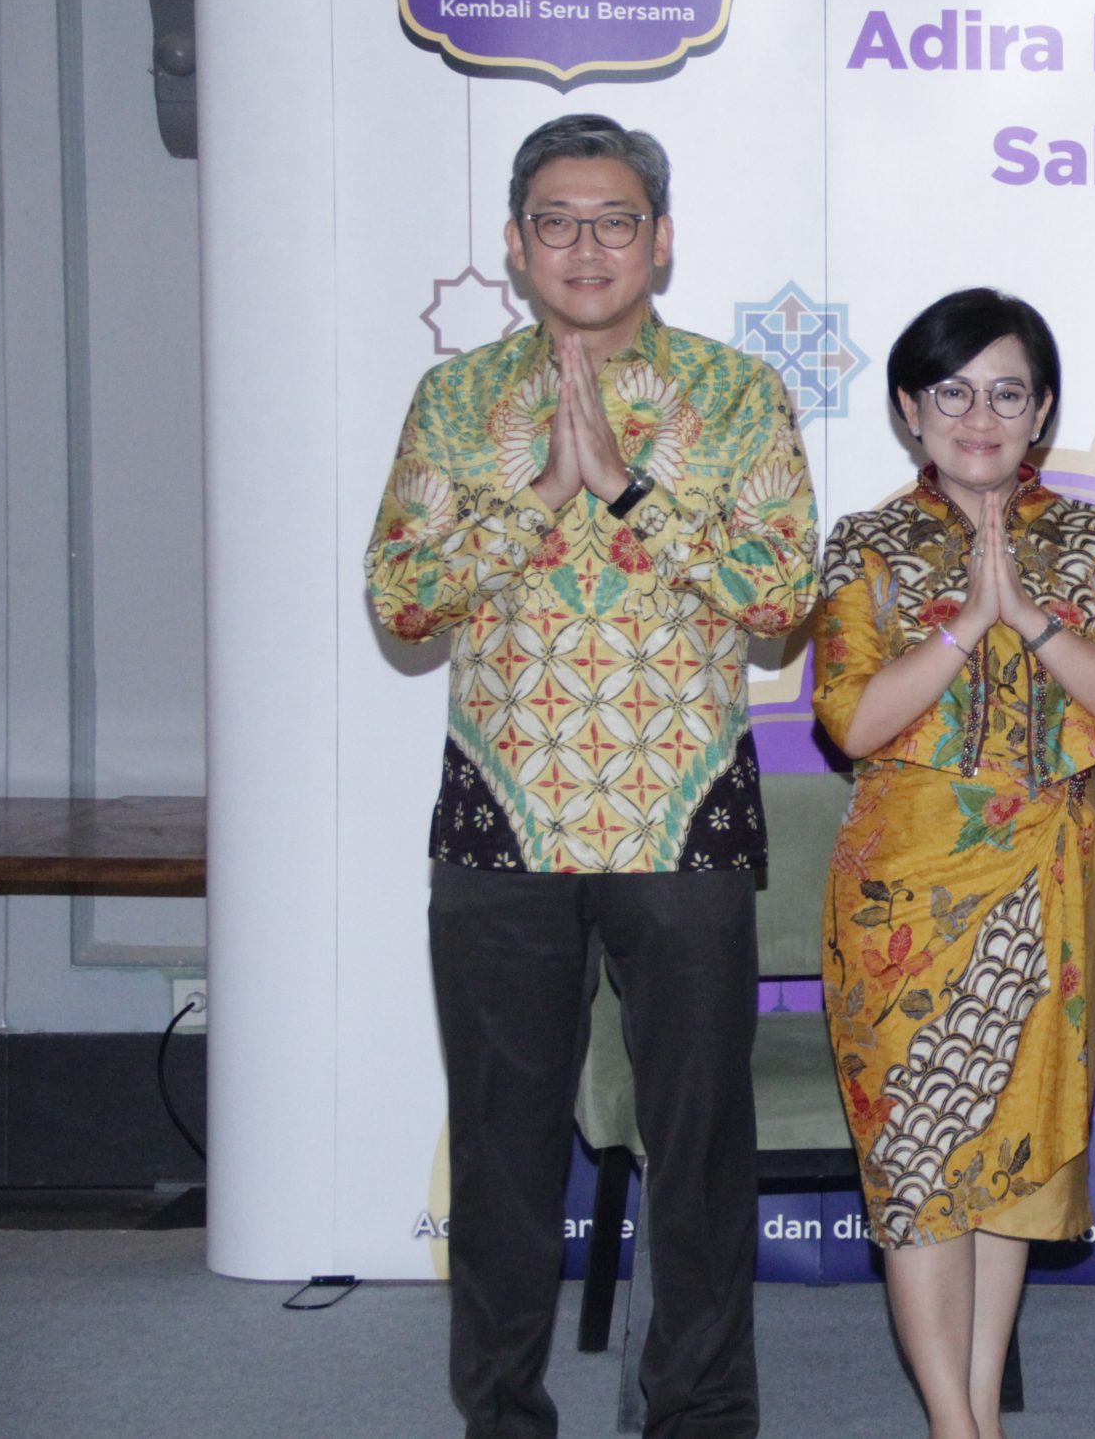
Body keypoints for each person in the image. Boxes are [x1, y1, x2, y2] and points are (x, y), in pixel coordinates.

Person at [366, 113, 820, 1439]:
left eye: (615, 220)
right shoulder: (457, 400)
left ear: (660, 242)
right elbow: (401, 599)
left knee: (699, 1146)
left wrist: (623, 489)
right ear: (515, 245)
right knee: (502, 1147)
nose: (586, 246)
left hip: (683, 814)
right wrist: (533, 500)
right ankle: (500, 1413)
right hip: (500, 815)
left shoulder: (736, 393)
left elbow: (781, 599)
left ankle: (701, 1413)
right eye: (557, 221)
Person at [813, 288, 1095, 1439]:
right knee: (921, 1160)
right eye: (954, 392)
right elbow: (853, 722)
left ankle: (979, 1422)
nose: (980, 417)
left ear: (1044, 412)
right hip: (903, 898)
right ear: (909, 410)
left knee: (1007, 1164)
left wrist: (1032, 616)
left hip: (1046, 885)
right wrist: (967, 621)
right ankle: (953, 1427)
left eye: (1007, 393)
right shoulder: (865, 545)